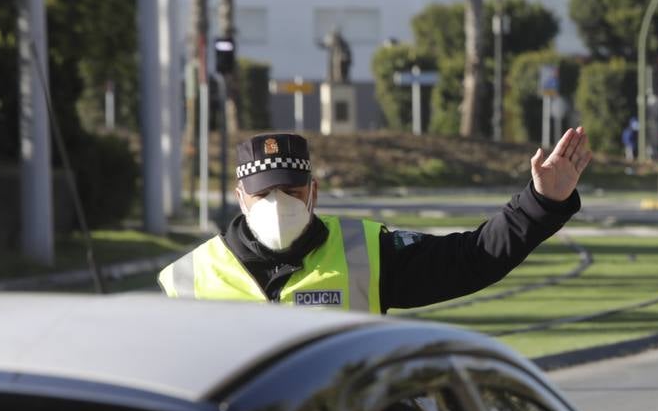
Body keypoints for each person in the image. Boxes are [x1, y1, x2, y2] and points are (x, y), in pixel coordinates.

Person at [158, 127, 592, 312]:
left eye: (290, 191)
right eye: (264, 194)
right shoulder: (186, 280)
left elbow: (470, 259)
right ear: (240, 199)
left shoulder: (366, 252)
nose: (278, 204)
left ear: (313, 193)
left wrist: (541, 202)